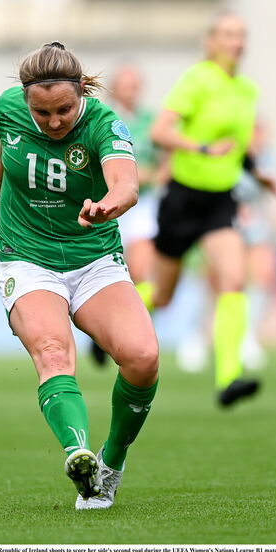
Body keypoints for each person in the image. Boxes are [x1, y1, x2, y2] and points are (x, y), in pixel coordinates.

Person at [0, 42, 159, 510]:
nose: (54, 122)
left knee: (142, 358)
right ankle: (77, 454)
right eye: (42, 113)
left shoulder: (105, 123)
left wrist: (106, 206)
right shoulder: (7, 109)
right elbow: (11, 140)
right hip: (26, 256)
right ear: (25, 100)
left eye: (63, 109)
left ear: (81, 91)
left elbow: (126, 184)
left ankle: (110, 462)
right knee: (53, 351)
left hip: (93, 257)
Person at [142, 12, 276, 407]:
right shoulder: (197, 79)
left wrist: (258, 173)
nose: (236, 41)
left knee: (233, 280)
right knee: (164, 294)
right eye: (228, 34)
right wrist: (200, 148)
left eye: (241, 35)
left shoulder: (246, 90)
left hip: (221, 200)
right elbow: (160, 131)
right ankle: (110, 327)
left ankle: (228, 377)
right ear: (211, 42)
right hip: (183, 197)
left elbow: (238, 146)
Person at [90, 64, 166, 366]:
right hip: (107, 203)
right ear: (115, 89)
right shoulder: (101, 119)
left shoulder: (152, 121)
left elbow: (167, 162)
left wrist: (154, 176)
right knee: (106, 274)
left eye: (136, 85)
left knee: (142, 272)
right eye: (126, 85)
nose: (132, 90)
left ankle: (132, 332)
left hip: (142, 205)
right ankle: (106, 331)